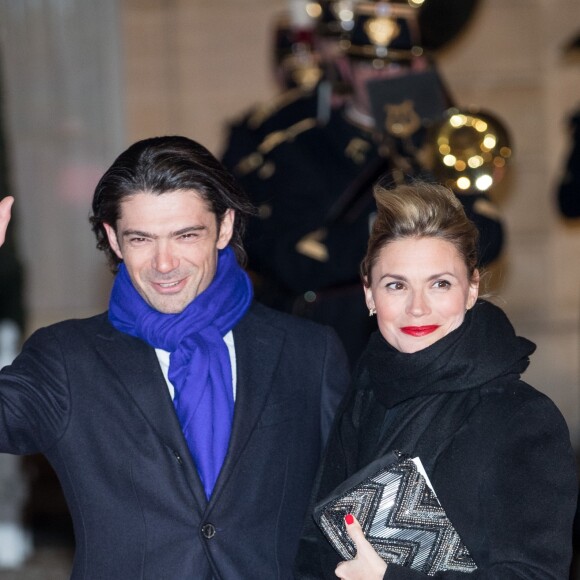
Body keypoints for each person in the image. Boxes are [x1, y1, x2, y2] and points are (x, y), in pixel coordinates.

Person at [0, 135, 350, 579]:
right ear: (114, 239)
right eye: (142, 238)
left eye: (186, 235)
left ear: (224, 227)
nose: (164, 263)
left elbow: (352, 497)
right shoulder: (67, 357)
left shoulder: (309, 351)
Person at [294, 181, 578, 578]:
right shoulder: (364, 392)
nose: (417, 307)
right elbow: (317, 542)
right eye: (396, 285)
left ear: (471, 289)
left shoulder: (521, 415)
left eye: (439, 283)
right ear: (370, 295)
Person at [232, 0, 505, 369]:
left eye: (397, 65)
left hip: (429, 344)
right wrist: (409, 235)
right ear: (345, 66)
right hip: (332, 341)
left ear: (420, 67)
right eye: (368, 65)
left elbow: (489, 237)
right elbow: (287, 260)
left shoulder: (440, 145)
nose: (384, 79)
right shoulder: (300, 148)